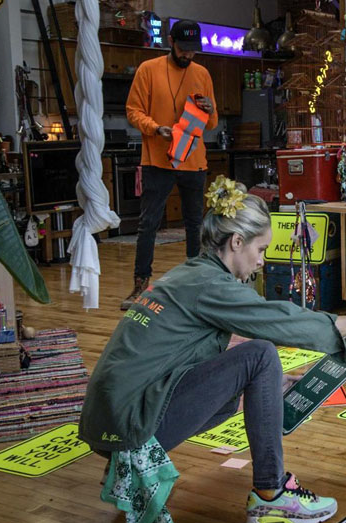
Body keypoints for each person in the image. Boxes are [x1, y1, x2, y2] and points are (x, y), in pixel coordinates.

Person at [79, 178, 346, 523]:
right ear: (237, 243)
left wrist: (268, 387)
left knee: (248, 372)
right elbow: (277, 320)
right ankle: (272, 493)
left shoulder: (188, 274)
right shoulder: (211, 285)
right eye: (260, 248)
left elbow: (184, 357)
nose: (262, 259)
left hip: (109, 417)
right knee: (260, 354)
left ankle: (123, 466)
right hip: (129, 421)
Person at [123, 19, 217, 310]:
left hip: (193, 159)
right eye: (183, 49)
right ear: (170, 42)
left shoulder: (202, 73)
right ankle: (140, 284)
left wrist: (211, 111)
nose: (188, 56)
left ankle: (195, 284)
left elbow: (211, 124)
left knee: (194, 225)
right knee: (148, 224)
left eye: (192, 51)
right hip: (157, 159)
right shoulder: (148, 70)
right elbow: (132, 110)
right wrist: (154, 128)